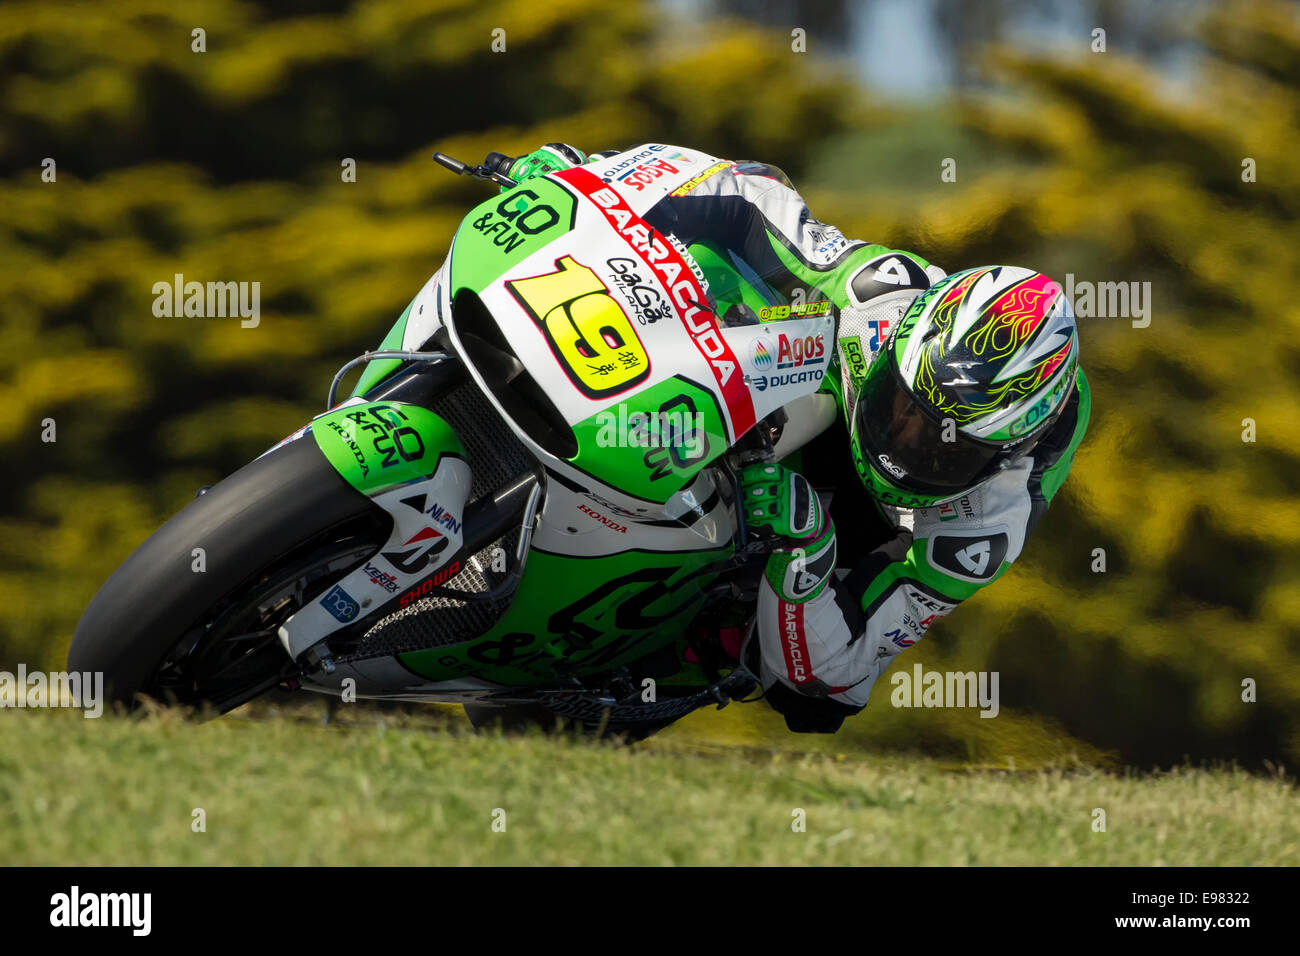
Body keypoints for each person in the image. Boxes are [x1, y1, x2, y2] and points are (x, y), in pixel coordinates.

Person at [500, 143, 1090, 732]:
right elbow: (747, 195)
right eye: (900, 406)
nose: (901, 441)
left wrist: (807, 547)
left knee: (807, 698)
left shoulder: (987, 522)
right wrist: (590, 179)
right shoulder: (880, 295)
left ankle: (674, 641)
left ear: (1002, 456)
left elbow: (837, 676)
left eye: (941, 447)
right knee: (715, 267)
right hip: (823, 381)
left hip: (885, 521)